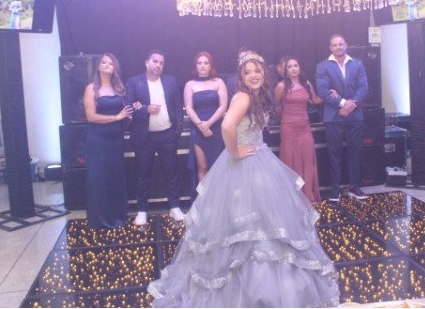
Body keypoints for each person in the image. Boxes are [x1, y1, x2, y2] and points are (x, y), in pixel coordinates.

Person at [148, 52, 340, 307]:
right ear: (241, 76)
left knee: (265, 223)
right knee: (243, 225)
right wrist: (236, 151)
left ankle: (264, 286)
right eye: (248, 72)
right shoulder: (243, 96)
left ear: (264, 72)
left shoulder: (257, 96)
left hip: (259, 161)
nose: (253, 75)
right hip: (243, 164)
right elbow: (227, 126)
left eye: (257, 70)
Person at [125, 50, 185, 225]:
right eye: (155, 61)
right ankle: (142, 211)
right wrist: (145, 108)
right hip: (144, 137)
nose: (158, 65)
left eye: (161, 62)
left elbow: (178, 105)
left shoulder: (170, 81)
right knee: (142, 174)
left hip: (168, 135)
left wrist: (178, 130)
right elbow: (129, 105)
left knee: (171, 173)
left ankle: (175, 207)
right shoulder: (134, 82)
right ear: (147, 62)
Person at [316, 34, 369, 201]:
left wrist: (351, 105)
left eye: (341, 44)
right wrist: (344, 103)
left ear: (346, 45)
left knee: (356, 152)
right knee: (334, 154)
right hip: (333, 117)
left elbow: (364, 88)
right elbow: (323, 91)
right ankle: (335, 190)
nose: (338, 47)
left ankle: (355, 187)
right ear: (330, 47)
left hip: (355, 116)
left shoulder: (357, 64)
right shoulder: (322, 66)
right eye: (335, 45)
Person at [83, 53, 133, 229]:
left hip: (115, 139)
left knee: (114, 176)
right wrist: (116, 117)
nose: (106, 65)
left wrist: (133, 111)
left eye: (110, 63)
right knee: (99, 178)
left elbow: (127, 110)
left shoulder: (119, 89)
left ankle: (117, 216)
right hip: (97, 140)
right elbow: (91, 117)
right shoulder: (91, 88)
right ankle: (101, 220)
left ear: (114, 68)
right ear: (98, 66)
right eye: (103, 62)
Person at [274, 56, 323, 204]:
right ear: (285, 70)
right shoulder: (281, 86)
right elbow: (276, 106)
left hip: (304, 127)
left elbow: (315, 100)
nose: (293, 69)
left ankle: (307, 194)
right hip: (288, 127)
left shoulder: (306, 84)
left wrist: (331, 94)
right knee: (291, 160)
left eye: (295, 65)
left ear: (300, 68)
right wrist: (287, 116)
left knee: (307, 160)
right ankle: (293, 196)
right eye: (289, 67)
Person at [183, 51, 228, 189]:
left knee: (218, 166)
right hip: (198, 129)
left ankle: (218, 198)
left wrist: (208, 124)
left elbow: (223, 106)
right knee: (202, 166)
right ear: (195, 66)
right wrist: (200, 125)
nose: (202, 65)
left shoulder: (219, 82)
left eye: (206, 63)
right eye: (199, 63)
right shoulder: (190, 84)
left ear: (211, 66)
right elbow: (188, 108)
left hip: (216, 128)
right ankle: (204, 200)